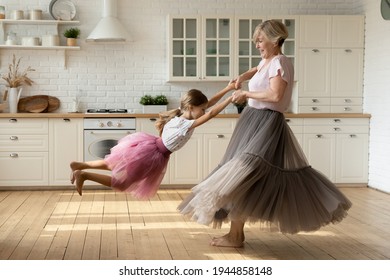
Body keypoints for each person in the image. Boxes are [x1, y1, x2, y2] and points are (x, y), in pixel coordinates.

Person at [178, 20, 352, 248]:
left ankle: (235, 235)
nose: (257, 45)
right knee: (242, 179)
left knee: (241, 175)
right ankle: (235, 235)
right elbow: (259, 68)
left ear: (275, 39)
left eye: (260, 40)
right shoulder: (269, 61)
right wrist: (242, 77)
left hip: (266, 125)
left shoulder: (281, 62)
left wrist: (246, 93)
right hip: (253, 122)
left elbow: (275, 96)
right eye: (256, 41)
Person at [70, 82, 235, 198]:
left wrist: (228, 88)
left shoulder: (180, 113)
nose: (205, 111)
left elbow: (209, 104)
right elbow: (211, 113)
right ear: (191, 108)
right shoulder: (186, 124)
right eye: (202, 109)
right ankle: (83, 175)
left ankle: (80, 165)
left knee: (114, 163)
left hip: (149, 147)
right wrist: (230, 99)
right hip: (152, 156)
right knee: (122, 184)